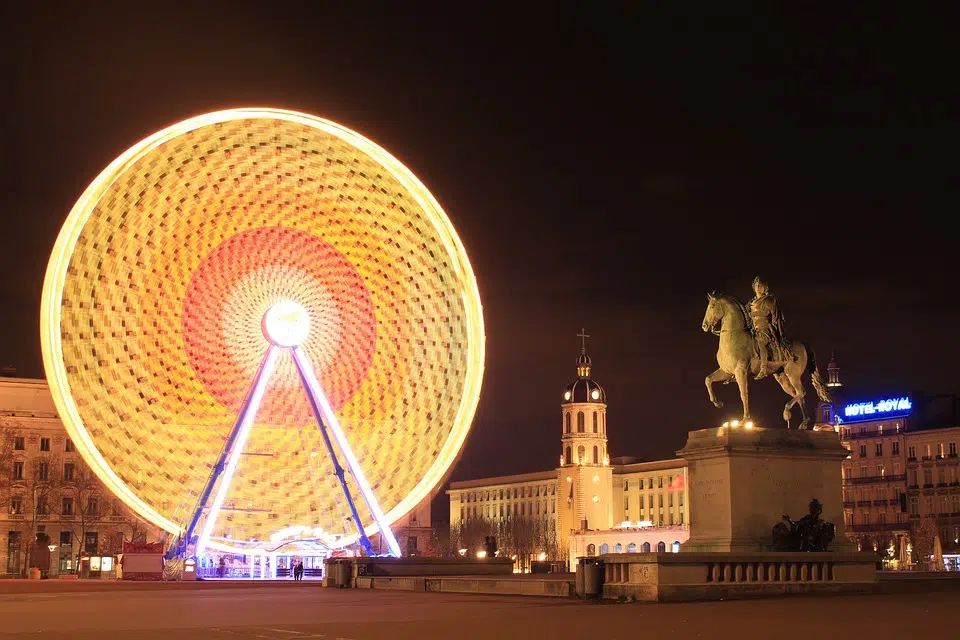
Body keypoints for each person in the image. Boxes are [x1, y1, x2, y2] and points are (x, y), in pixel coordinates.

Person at [748, 276, 788, 380]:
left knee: (760, 342)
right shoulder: (751, 302)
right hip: (753, 329)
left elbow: (772, 315)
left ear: (764, 287)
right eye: (756, 285)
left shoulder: (769, 300)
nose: (758, 287)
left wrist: (775, 328)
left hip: (765, 328)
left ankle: (763, 368)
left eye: (760, 285)